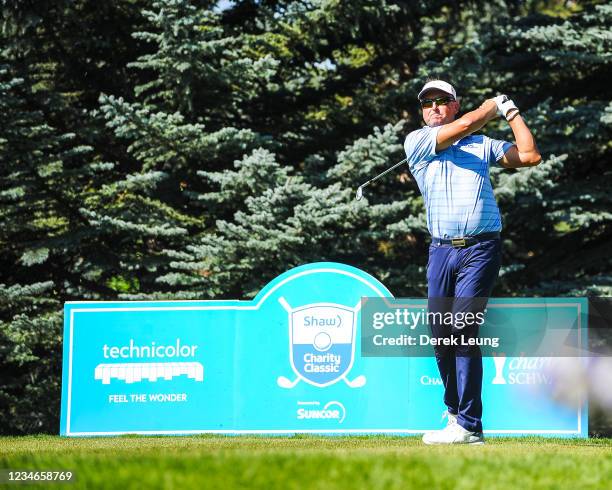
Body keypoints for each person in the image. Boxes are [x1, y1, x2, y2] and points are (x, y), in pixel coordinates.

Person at [403, 80, 541, 444]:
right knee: (440, 335)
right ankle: (454, 413)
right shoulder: (416, 142)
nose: (434, 107)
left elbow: (529, 156)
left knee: (462, 328)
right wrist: (491, 104)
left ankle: (469, 425)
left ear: (455, 103)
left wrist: (510, 111)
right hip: (441, 251)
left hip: (480, 248)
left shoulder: (481, 146)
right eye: (427, 103)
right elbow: (465, 125)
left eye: (442, 101)